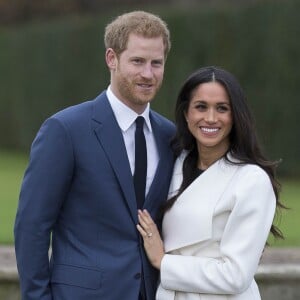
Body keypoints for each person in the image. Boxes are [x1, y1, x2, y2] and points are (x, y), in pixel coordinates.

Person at [14, 11, 175, 300]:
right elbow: (32, 227)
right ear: (111, 59)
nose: (148, 74)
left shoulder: (170, 136)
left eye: (156, 63)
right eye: (137, 61)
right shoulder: (65, 130)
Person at [137, 66, 284, 300]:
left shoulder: (252, 180)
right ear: (186, 114)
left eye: (222, 108)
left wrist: (163, 261)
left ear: (235, 116)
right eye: (201, 107)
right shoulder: (172, 162)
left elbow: (235, 275)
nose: (211, 118)